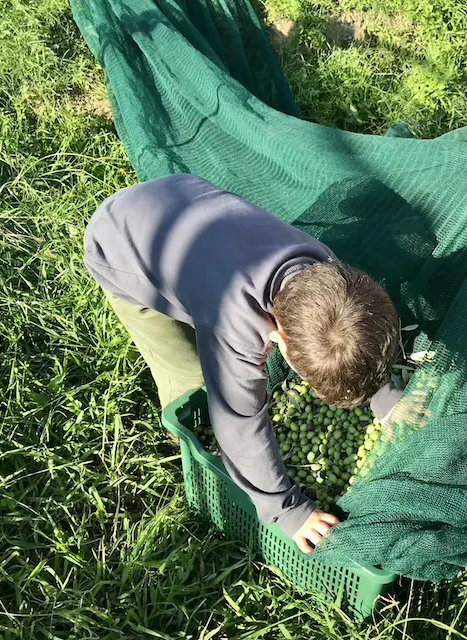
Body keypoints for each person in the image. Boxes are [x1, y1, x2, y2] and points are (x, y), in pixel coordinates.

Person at [84, 174, 402, 554]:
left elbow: (355, 333)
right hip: (122, 246)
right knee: (192, 378)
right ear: (278, 341)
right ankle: (181, 436)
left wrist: (384, 398)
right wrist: (288, 509)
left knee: (202, 300)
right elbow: (238, 423)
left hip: (181, 199)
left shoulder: (329, 273)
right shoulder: (233, 326)